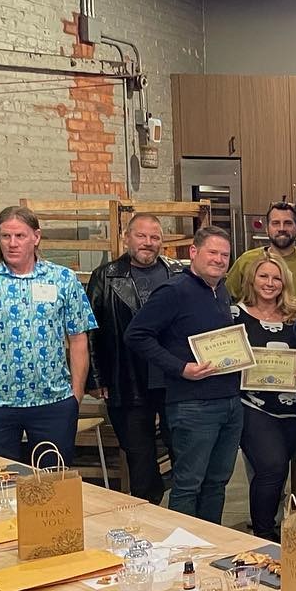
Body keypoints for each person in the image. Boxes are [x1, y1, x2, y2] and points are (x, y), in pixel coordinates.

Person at [0, 206, 95, 464]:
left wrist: (75, 395)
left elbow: (79, 339)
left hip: (53, 402)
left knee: (53, 481)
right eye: (5, 236)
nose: (12, 243)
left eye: (20, 236)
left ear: (36, 237)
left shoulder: (63, 280)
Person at [123, 226, 242, 523]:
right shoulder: (174, 291)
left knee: (217, 482)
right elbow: (136, 335)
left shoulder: (221, 290)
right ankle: (184, 543)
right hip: (193, 404)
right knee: (189, 484)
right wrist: (180, 368)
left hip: (228, 401)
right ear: (193, 252)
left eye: (224, 255)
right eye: (212, 252)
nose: (219, 260)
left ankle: (212, 540)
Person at [86, 213, 183, 502]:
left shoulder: (178, 273)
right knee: (140, 459)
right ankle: (148, 511)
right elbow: (90, 330)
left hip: (174, 380)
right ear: (126, 238)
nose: (148, 242)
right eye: (141, 236)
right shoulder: (105, 276)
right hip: (126, 379)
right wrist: (95, 378)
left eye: (154, 237)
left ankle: (184, 513)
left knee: (182, 451)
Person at [236, 252, 296, 541]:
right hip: (253, 405)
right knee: (272, 466)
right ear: (251, 279)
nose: (270, 283)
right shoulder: (234, 315)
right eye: (263, 276)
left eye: (276, 278)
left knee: (282, 472)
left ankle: (276, 524)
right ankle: (263, 532)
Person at [224, 202, 296, 303]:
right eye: (276, 223)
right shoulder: (246, 260)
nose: (282, 228)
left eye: (288, 223)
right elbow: (226, 298)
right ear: (267, 229)